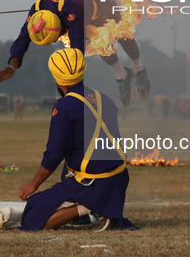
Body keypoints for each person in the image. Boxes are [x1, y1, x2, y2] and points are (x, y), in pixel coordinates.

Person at [18, 48, 136, 231]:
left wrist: (33, 183)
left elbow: (54, 154)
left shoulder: (64, 107)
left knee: (33, 215)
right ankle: (96, 207)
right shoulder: (104, 99)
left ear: (56, 79)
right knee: (69, 169)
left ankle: (90, 208)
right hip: (117, 180)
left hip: (93, 183)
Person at [0, 0, 151, 107]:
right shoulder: (36, 13)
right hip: (81, 9)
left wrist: (72, 95)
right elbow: (22, 40)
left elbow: (77, 56)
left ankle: (139, 68)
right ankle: (122, 75)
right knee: (100, 44)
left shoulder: (73, 12)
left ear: (60, 27)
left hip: (99, 3)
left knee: (121, 33)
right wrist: (12, 67)